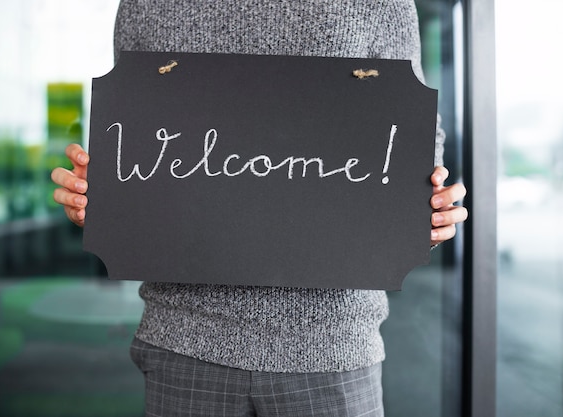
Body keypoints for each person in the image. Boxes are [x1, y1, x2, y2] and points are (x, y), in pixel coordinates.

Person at [51, 1, 468, 416]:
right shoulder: (147, 4)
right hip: (183, 342)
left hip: (333, 345)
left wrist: (426, 202)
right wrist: (98, 199)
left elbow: (412, 124)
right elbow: (136, 127)